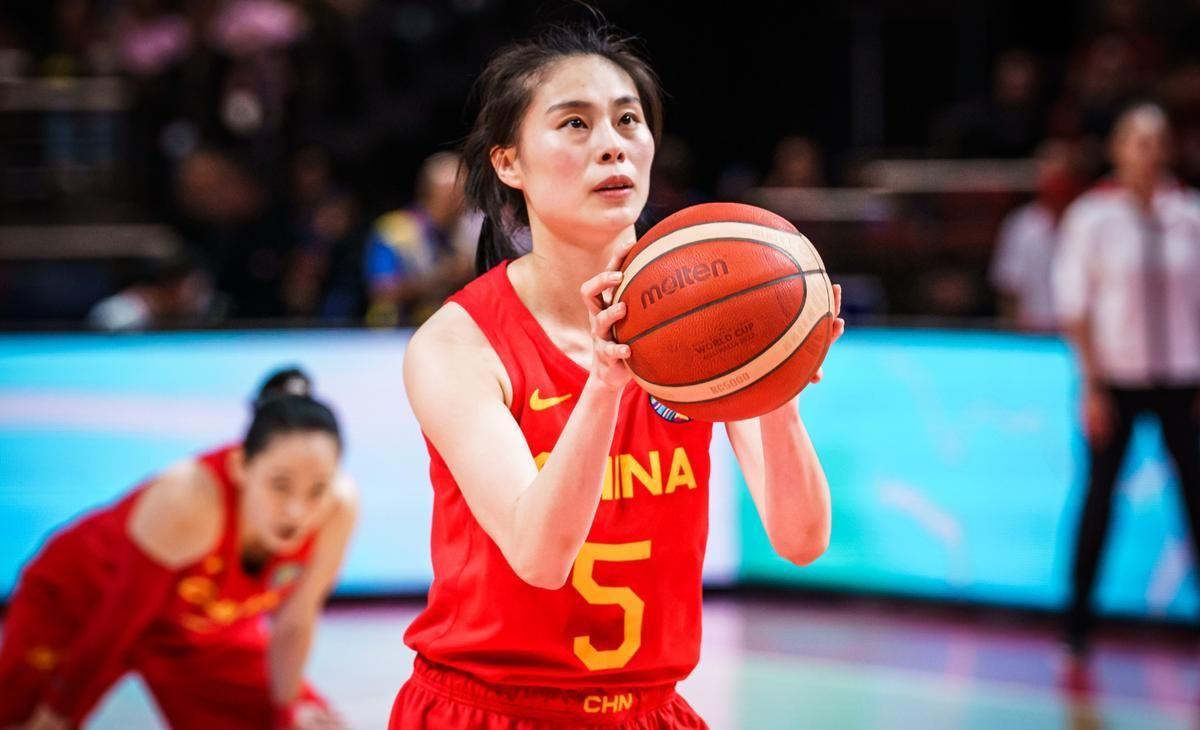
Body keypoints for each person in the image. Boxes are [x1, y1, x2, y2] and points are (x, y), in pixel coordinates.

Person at [392, 20, 842, 729]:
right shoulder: (458, 345)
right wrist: (605, 385)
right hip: (490, 710)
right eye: (574, 123)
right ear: (510, 163)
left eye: (628, 119)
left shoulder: (707, 323)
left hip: (649, 710)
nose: (612, 143)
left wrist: (776, 383)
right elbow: (540, 558)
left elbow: (801, 539)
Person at [0, 367, 359, 729]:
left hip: (196, 630)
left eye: (318, 489)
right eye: (280, 485)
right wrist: (57, 713)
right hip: (84, 602)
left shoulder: (338, 508)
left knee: (311, 724)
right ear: (239, 466)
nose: (297, 510)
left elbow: (296, 621)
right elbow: (120, 621)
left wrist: (286, 712)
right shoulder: (188, 497)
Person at [1054, 103, 1200, 657]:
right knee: (1099, 499)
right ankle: (1077, 624)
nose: (1149, 152)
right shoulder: (1093, 217)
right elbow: (1076, 306)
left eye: (1158, 141)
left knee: (1195, 498)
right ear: (1118, 149)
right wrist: (1092, 384)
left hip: (1182, 377)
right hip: (1116, 377)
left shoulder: (1189, 214)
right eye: (1138, 141)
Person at [363, 151, 478, 327]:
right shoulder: (394, 231)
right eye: (458, 193)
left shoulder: (467, 234)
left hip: (446, 331)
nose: (465, 201)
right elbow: (381, 290)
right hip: (395, 333)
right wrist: (443, 276)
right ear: (437, 193)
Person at [988, 139, 1083, 332]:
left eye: (1063, 175)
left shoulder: (1088, 221)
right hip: (1033, 332)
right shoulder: (1021, 225)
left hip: (1079, 333)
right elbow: (1009, 288)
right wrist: (1014, 337)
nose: (1057, 184)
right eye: (1051, 176)